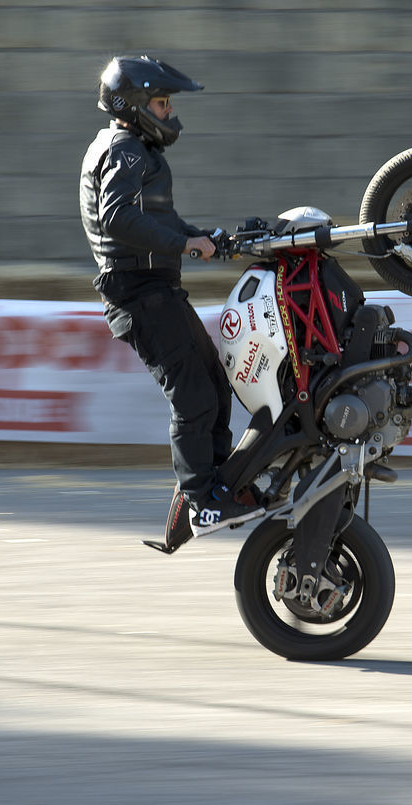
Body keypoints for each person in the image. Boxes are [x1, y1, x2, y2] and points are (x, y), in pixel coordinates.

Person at [80, 55, 262, 552]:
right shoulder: (124, 150)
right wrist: (185, 246)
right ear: (135, 104)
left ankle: (221, 486)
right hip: (140, 295)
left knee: (215, 386)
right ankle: (198, 495)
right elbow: (118, 218)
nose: (168, 112)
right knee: (193, 395)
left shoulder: (133, 149)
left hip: (157, 290)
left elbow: (162, 218)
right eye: (161, 103)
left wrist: (208, 238)